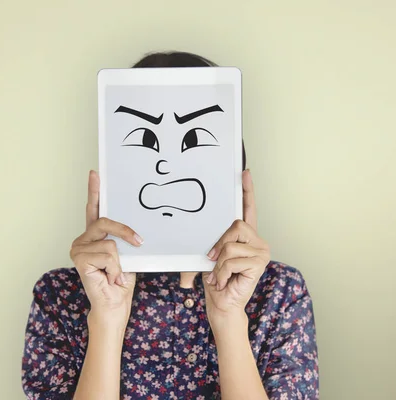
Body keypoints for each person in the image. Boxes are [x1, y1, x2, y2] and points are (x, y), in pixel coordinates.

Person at [21, 51, 319, 400]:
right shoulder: (62, 295)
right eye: (145, 141)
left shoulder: (277, 293)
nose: (166, 165)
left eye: (193, 141)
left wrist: (228, 318)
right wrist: (107, 316)